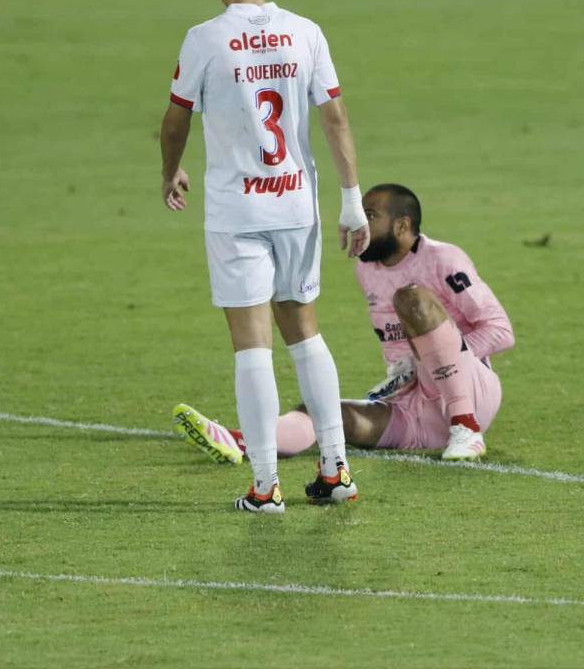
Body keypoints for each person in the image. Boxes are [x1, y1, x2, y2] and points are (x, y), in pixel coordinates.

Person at [160, 0, 370, 516]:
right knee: (305, 332)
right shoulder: (305, 32)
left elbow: (176, 118)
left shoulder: (204, 39)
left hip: (237, 211)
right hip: (295, 204)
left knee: (250, 345)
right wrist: (351, 198)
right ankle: (335, 469)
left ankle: (265, 485)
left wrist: (169, 170)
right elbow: (336, 118)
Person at [174, 183, 514, 468]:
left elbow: (500, 330)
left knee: (411, 299)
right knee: (324, 412)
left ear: (401, 226)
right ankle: (241, 441)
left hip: (469, 391)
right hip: (414, 409)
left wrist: (438, 358)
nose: (359, 223)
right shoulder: (367, 271)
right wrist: (404, 369)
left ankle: (466, 429)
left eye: (370, 216)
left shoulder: (443, 259)